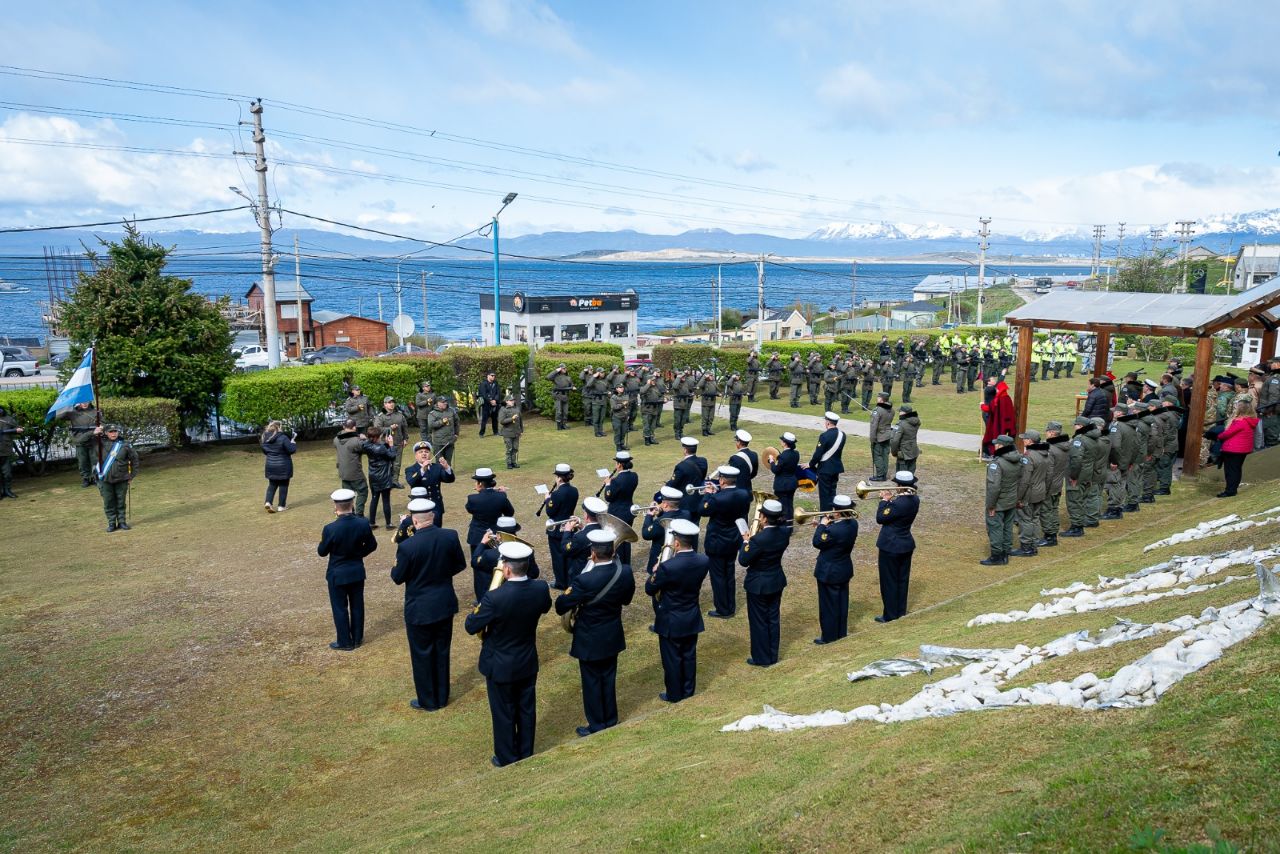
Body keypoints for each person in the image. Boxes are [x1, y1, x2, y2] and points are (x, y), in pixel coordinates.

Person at [464, 541, 552, 767]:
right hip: (526, 660)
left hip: (500, 664)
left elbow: (471, 625)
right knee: (526, 708)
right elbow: (545, 606)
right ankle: (525, 751)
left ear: (507, 569)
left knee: (503, 713)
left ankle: (506, 756)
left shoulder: (494, 598)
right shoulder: (540, 589)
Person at [555, 528, 636, 737]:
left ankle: (597, 724)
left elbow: (561, 605)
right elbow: (626, 600)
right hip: (612, 634)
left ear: (592, 553)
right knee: (608, 678)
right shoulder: (625, 572)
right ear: (613, 551)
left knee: (592, 682)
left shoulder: (585, 580)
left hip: (589, 638)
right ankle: (611, 718)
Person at [392, 498, 467, 711]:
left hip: (420, 608)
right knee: (442, 650)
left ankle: (428, 700)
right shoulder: (450, 536)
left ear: (414, 521)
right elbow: (459, 564)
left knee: (422, 654)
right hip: (444, 602)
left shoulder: (407, 546)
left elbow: (397, 577)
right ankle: (442, 696)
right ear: (432, 517)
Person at [646, 518, 709, 702]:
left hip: (671, 619)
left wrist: (655, 572)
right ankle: (688, 691)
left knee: (672, 659)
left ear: (677, 543)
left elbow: (650, 589)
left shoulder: (668, 567)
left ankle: (674, 694)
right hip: (691, 616)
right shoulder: (703, 560)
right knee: (689, 655)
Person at [316, 488, 377, 651]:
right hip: (356, 571)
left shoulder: (330, 528)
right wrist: (358, 555)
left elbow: (322, 552)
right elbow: (372, 545)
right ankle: (357, 638)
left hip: (337, 573)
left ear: (336, 507)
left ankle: (344, 641)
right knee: (357, 605)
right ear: (352, 504)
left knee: (339, 608)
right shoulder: (363, 523)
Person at [738, 498, 790, 666]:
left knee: (759, 621)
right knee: (773, 618)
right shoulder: (784, 532)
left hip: (759, 583)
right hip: (776, 579)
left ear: (765, 518)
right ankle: (772, 654)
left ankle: (762, 657)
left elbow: (744, 560)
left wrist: (746, 540)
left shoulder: (758, 540)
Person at [702, 465, 751, 619]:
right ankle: (730, 606)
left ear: (722, 480)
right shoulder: (744, 494)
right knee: (729, 574)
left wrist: (708, 495)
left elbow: (702, 510)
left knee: (718, 577)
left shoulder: (716, 498)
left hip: (717, 541)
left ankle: (723, 609)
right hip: (734, 538)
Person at [811, 494, 856, 645]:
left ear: (837, 512)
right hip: (843, 568)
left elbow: (818, 542)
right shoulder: (853, 524)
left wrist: (822, 526)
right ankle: (840, 633)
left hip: (829, 571)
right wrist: (824, 527)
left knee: (828, 606)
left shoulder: (834, 530)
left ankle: (829, 637)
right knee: (841, 603)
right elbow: (832, 538)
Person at [874, 471, 919, 622]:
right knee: (902, 579)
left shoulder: (899, 503)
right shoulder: (915, 499)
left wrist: (884, 501)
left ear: (900, 486)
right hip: (905, 544)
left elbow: (880, 518)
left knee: (889, 581)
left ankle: (890, 615)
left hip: (891, 545)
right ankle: (900, 611)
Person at [472, 517, 540, 603]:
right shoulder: (527, 551)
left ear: (499, 535)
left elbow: (474, 561)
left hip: (495, 595)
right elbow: (534, 574)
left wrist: (482, 543)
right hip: (518, 594)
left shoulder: (489, 554)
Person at [979, 435, 1019, 566]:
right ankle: (1006, 552)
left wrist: (991, 505)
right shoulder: (1018, 460)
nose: (995, 446)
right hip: (1011, 500)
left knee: (995, 528)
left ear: (1001, 446)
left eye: (997, 444)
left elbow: (994, 487)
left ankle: (997, 555)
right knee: (1007, 527)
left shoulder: (996, 464)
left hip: (999, 502)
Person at [1010, 430, 1049, 557]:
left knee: (1025, 520)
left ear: (1030, 441)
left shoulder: (1029, 456)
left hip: (1029, 493)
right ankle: (1033, 544)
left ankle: (1026, 547)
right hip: (1040, 491)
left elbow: (1025, 480)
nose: (1023, 440)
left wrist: (1018, 497)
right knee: (1035, 518)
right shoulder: (1044, 454)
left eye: (1025, 439)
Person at [93, 424, 138, 531]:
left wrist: (132, 475)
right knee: (108, 501)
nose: (113, 434)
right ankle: (112, 523)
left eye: (115, 431)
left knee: (121, 501)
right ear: (106, 433)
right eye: (111, 432)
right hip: (105, 478)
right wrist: (94, 434)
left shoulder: (125, 445)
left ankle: (122, 522)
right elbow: (85, 444)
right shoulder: (99, 444)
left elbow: (135, 460)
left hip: (121, 478)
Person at [1061, 416, 1101, 538]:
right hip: (1087, 473)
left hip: (1078, 475)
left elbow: (1076, 459)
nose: (1075, 427)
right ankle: (1079, 523)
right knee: (1082, 499)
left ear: (1081, 426)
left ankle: (1076, 527)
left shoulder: (1080, 439)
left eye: (1076, 425)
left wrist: (1073, 476)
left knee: (1074, 500)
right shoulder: (1093, 439)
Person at [464, 467, 515, 558]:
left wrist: (481, 493)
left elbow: (469, 509)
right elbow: (509, 513)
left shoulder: (472, 498)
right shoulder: (501, 497)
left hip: (477, 536)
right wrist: (502, 494)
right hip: (496, 535)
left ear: (480, 483)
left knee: (478, 562)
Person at [544, 463, 579, 590]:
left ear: (559, 478)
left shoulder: (557, 494)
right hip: (570, 526)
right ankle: (569, 579)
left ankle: (560, 582)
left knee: (558, 557)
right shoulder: (574, 490)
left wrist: (548, 499)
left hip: (557, 530)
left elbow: (550, 512)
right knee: (568, 555)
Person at [404, 441, 454, 527]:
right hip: (419, 508)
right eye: (420, 452)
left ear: (430, 454)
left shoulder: (436, 467)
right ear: (416, 456)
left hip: (436, 507)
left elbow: (449, 479)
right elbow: (411, 481)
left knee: (437, 530)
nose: (424, 454)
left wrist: (447, 468)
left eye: (426, 452)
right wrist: (422, 470)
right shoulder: (411, 469)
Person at [1217, 397, 1259, 498]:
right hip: (1242, 449)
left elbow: (1226, 434)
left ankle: (1230, 490)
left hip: (1233, 449)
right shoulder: (1250, 420)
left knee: (1231, 471)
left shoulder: (1240, 421)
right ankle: (1232, 489)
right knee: (1236, 469)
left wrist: (1218, 436)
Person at [642, 486, 689, 575]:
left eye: (662, 503)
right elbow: (673, 514)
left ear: (665, 504)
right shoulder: (687, 514)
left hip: (662, 559)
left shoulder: (660, 522)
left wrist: (649, 515)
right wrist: (662, 513)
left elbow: (645, 534)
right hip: (678, 558)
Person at [603, 451, 638, 568]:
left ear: (619, 465)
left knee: (617, 540)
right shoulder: (634, 476)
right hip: (629, 511)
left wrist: (608, 484)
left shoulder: (617, 481)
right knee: (626, 539)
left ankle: (618, 564)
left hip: (617, 513)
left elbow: (608, 497)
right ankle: (626, 563)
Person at [363, 426, 398, 531]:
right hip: (383, 476)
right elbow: (392, 456)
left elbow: (380, 448)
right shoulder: (380, 448)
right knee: (386, 499)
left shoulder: (366, 445)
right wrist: (391, 445)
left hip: (373, 475)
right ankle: (388, 523)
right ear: (377, 437)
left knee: (374, 498)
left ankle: (372, 522)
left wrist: (386, 444)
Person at [809, 411, 846, 511]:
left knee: (824, 496)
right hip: (836, 468)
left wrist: (810, 464)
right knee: (832, 493)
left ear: (828, 423)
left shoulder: (824, 436)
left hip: (825, 469)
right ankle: (833, 514)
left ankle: (825, 519)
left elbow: (818, 454)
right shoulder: (843, 435)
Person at [667, 437, 708, 521]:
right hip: (698, 501)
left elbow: (672, 485)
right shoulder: (703, 461)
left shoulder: (681, 466)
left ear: (685, 450)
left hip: (685, 504)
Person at [60, 400, 100, 487]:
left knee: (95, 460)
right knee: (82, 461)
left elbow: (102, 423)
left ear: (90, 402)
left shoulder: (96, 412)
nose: (85, 403)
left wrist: (101, 427)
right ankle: (86, 478)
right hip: (80, 439)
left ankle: (95, 477)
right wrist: (68, 406)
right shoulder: (72, 412)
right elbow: (59, 416)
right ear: (79, 402)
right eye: (82, 401)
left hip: (93, 439)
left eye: (86, 401)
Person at [334, 419, 369, 517]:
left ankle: (349, 513)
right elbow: (366, 448)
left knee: (347, 495)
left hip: (343, 472)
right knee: (363, 491)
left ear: (343, 427)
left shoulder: (336, 439)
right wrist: (364, 439)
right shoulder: (356, 441)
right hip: (355, 472)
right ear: (354, 428)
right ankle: (359, 513)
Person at [260, 419, 297, 513]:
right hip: (283, 465)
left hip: (270, 465)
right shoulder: (283, 437)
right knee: (283, 485)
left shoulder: (264, 437)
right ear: (279, 427)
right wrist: (293, 441)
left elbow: (265, 451)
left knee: (272, 485)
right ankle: (281, 506)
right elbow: (291, 450)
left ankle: (268, 502)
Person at [374, 397, 410, 487]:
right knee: (385, 463)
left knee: (397, 463)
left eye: (393, 402)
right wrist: (389, 428)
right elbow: (377, 429)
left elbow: (404, 427)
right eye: (389, 402)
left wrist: (405, 439)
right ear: (385, 404)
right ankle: (386, 481)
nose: (392, 404)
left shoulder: (399, 415)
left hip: (398, 442)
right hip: (384, 444)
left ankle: (395, 481)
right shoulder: (380, 416)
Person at [981, 380, 1016, 459]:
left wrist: (982, 406)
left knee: (992, 437)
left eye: (997, 389)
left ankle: (991, 453)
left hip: (997, 423)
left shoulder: (999, 399)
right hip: (1005, 423)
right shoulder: (1007, 398)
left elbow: (990, 408)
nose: (996, 390)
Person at [770, 432, 800, 524]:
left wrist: (771, 461)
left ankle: (785, 527)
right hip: (792, 483)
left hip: (782, 485)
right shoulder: (796, 454)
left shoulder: (782, 457)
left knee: (782, 506)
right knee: (789, 504)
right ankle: (789, 525)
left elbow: (776, 470)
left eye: (782, 440)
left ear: (785, 443)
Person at [0, 404, 24, 500]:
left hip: (5, 450)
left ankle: (7, 491)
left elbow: (19, 428)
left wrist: (17, 430)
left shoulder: (8, 419)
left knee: (7, 473)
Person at [868, 392, 893, 482]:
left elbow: (874, 426)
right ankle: (884, 474)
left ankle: (880, 475)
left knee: (877, 455)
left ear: (881, 399)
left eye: (878, 397)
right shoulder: (891, 409)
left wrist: (872, 438)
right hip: (888, 435)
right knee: (885, 455)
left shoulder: (877, 410)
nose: (877, 398)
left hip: (879, 436)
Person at [426, 398, 458, 468]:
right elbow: (431, 425)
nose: (445, 403)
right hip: (438, 442)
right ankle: (439, 475)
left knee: (448, 461)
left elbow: (456, 423)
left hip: (450, 440)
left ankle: (447, 475)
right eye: (443, 402)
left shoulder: (451, 411)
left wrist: (456, 434)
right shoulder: (432, 413)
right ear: (438, 403)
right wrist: (442, 422)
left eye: (446, 402)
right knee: (439, 461)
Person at [889, 404, 920, 475]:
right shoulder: (916, 421)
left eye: (900, 411)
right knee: (911, 473)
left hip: (904, 453)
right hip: (913, 450)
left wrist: (894, 452)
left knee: (902, 475)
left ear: (904, 413)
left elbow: (895, 441)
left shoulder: (901, 424)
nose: (899, 413)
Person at [495, 394, 523, 470]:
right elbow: (501, 421)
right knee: (509, 449)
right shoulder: (503, 409)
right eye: (511, 400)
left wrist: (521, 431)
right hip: (507, 432)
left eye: (513, 400)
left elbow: (520, 420)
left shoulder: (517, 408)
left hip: (516, 432)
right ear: (506, 401)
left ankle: (514, 462)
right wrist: (512, 418)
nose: (513, 401)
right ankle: (509, 463)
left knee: (515, 448)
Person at [546, 364, 575, 430]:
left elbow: (572, 386)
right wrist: (556, 370)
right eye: (563, 368)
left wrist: (573, 388)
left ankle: (564, 425)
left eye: (565, 368)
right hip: (558, 395)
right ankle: (559, 426)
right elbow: (548, 377)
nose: (564, 369)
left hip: (565, 396)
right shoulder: (555, 377)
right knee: (559, 412)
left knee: (566, 412)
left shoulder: (568, 377)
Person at [640, 375, 664, 446]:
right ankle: (646, 439)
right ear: (649, 380)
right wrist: (648, 384)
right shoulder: (644, 387)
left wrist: (663, 399)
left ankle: (651, 438)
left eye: (654, 380)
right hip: (646, 410)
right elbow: (642, 392)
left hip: (654, 409)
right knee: (647, 426)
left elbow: (660, 395)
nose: (654, 381)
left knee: (652, 426)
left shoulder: (656, 388)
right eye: (652, 380)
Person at [609, 381, 631, 452]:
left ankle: (622, 444)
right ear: (616, 389)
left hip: (625, 416)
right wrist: (622, 404)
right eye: (620, 387)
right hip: (617, 417)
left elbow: (628, 406)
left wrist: (628, 414)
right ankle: (618, 445)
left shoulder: (626, 396)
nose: (622, 389)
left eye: (622, 387)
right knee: (618, 432)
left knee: (624, 431)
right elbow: (614, 407)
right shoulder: (613, 397)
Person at [478, 371, 501, 437]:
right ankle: (481, 433)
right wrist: (490, 400)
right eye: (492, 375)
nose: (493, 377)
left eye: (494, 375)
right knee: (484, 420)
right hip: (486, 405)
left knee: (495, 419)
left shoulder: (496, 383)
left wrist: (495, 400)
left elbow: (498, 393)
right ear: (488, 376)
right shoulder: (483, 384)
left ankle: (496, 432)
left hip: (494, 404)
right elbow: (483, 394)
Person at [695, 371, 719, 436]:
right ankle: (704, 430)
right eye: (710, 375)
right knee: (705, 417)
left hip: (712, 401)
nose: (712, 376)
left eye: (712, 375)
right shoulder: (704, 382)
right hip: (706, 402)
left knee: (711, 417)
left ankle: (708, 429)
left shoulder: (714, 382)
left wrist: (719, 393)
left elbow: (717, 389)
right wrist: (704, 377)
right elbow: (699, 385)